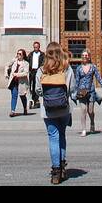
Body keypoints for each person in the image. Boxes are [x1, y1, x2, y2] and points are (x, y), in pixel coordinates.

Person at [36, 41, 77, 184]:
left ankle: (56, 171)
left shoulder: (42, 70)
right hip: (64, 108)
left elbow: (38, 90)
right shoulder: (67, 69)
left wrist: (48, 96)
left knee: (53, 137)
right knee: (62, 135)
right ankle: (63, 167)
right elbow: (72, 88)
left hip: (48, 109)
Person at [73, 49, 102, 135]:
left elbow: (99, 78)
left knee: (90, 111)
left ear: (89, 57)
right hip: (81, 92)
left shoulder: (93, 67)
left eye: (86, 55)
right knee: (83, 110)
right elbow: (76, 81)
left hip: (91, 91)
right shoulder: (79, 68)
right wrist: (74, 92)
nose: (85, 57)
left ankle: (92, 122)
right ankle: (84, 129)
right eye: (83, 55)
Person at [5, 48, 30, 116]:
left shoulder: (26, 63)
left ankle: (25, 108)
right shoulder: (14, 61)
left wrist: (17, 74)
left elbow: (25, 73)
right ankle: (12, 111)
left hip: (22, 82)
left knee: (22, 96)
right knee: (14, 95)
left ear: (23, 55)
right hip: (14, 81)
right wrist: (6, 73)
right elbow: (7, 65)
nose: (18, 55)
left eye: (20, 54)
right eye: (17, 53)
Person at [27, 41, 45, 110]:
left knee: (36, 86)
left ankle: (36, 100)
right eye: (34, 47)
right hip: (32, 71)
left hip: (38, 71)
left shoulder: (42, 54)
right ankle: (32, 99)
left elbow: (43, 62)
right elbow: (27, 61)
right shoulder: (31, 54)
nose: (35, 48)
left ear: (39, 47)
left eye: (37, 47)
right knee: (31, 86)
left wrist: (40, 69)